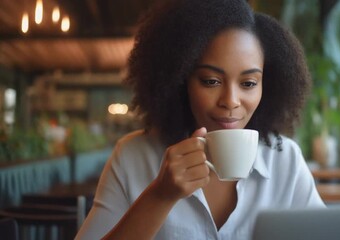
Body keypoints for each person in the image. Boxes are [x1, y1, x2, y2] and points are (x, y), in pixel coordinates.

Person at [75, 0, 325, 239]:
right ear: (180, 81)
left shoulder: (285, 161)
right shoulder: (133, 158)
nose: (230, 100)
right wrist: (160, 196)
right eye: (210, 81)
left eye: (248, 83)